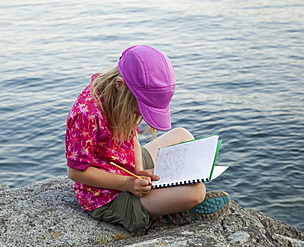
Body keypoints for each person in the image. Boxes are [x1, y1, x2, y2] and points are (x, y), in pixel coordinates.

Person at [65, 45, 230, 232]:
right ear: (120, 85)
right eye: (141, 110)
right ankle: (171, 212)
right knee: (196, 192)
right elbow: (76, 173)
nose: (140, 116)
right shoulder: (86, 113)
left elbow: (131, 134)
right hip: (107, 194)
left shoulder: (120, 94)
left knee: (182, 135)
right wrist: (128, 183)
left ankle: (168, 199)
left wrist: (138, 170)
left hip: (125, 163)